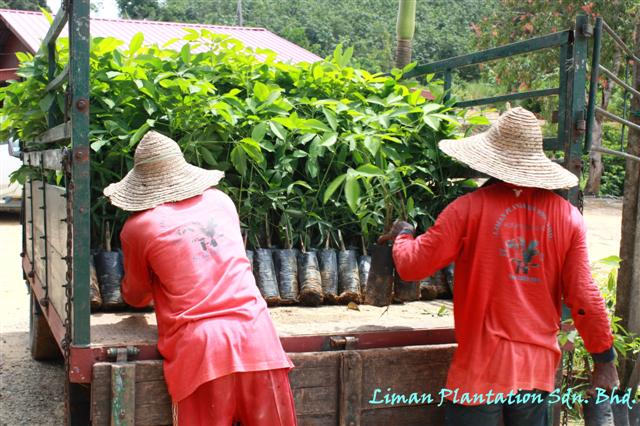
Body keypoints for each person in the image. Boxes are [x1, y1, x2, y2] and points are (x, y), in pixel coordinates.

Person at [379, 108, 619, 426]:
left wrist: (404, 234)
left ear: (487, 158)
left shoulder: (467, 210)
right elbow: (584, 295)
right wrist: (605, 359)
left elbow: (412, 266)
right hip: (536, 371)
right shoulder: (568, 217)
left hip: (479, 371)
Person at [103, 131, 297, 426]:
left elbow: (137, 294)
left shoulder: (138, 227)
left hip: (201, 350)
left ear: (140, 183)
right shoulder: (221, 202)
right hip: (258, 336)